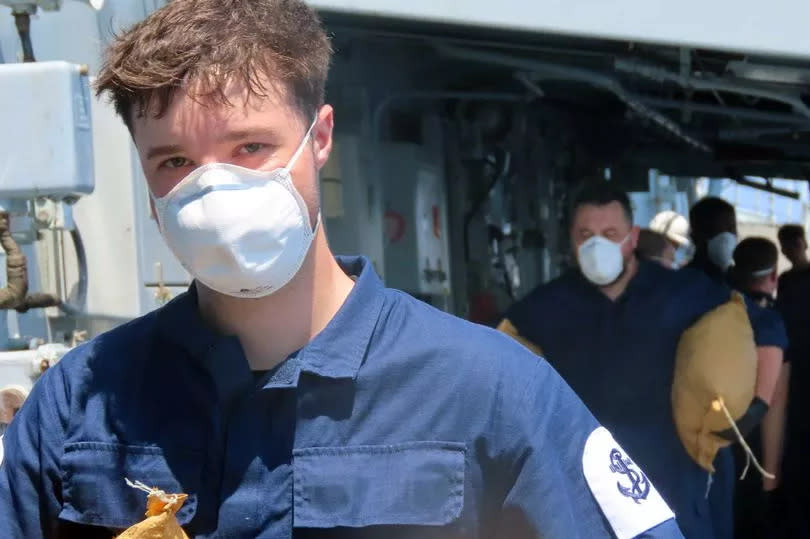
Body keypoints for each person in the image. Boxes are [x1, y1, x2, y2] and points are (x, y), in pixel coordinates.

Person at [0, 2, 682, 538]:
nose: (212, 193)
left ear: (320, 137)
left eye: (250, 146)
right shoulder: (80, 404)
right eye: (174, 161)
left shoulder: (488, 394)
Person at [497, 183, 750, 538]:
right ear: (571, 239)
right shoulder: (544, 309)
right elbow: (504, 370)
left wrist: (747, 413)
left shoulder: (687, 296)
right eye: (585, 234)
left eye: (610, 233)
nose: (596, 244)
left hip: (672, 484)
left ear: (632, 238)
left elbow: (746, 332)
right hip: (585, 495)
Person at [686, 196, 787, 539]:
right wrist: (770, 471)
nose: (727, 236)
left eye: (732, 229)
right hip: (715, 432)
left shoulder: (686, 286)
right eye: (718, 230)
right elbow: (774, 398)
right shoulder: (722, 297)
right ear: (695, 233)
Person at [727, 238, 789, 539]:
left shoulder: (717, 307)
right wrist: (770, 480)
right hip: (751, 450)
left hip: (709, 442)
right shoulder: (768, 322)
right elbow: (774, 401)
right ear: (774, 275)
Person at [775, 225, 810, 536]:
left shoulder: (789, 282)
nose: (789, 249)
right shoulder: (786, 281)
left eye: (792, 244)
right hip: (794, 370)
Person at [777, 224, 810, 297]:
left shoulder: (784, 279)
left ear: (806, 244)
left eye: (795, 244)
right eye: (787, 245)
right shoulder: (784, 279)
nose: (793, 249)